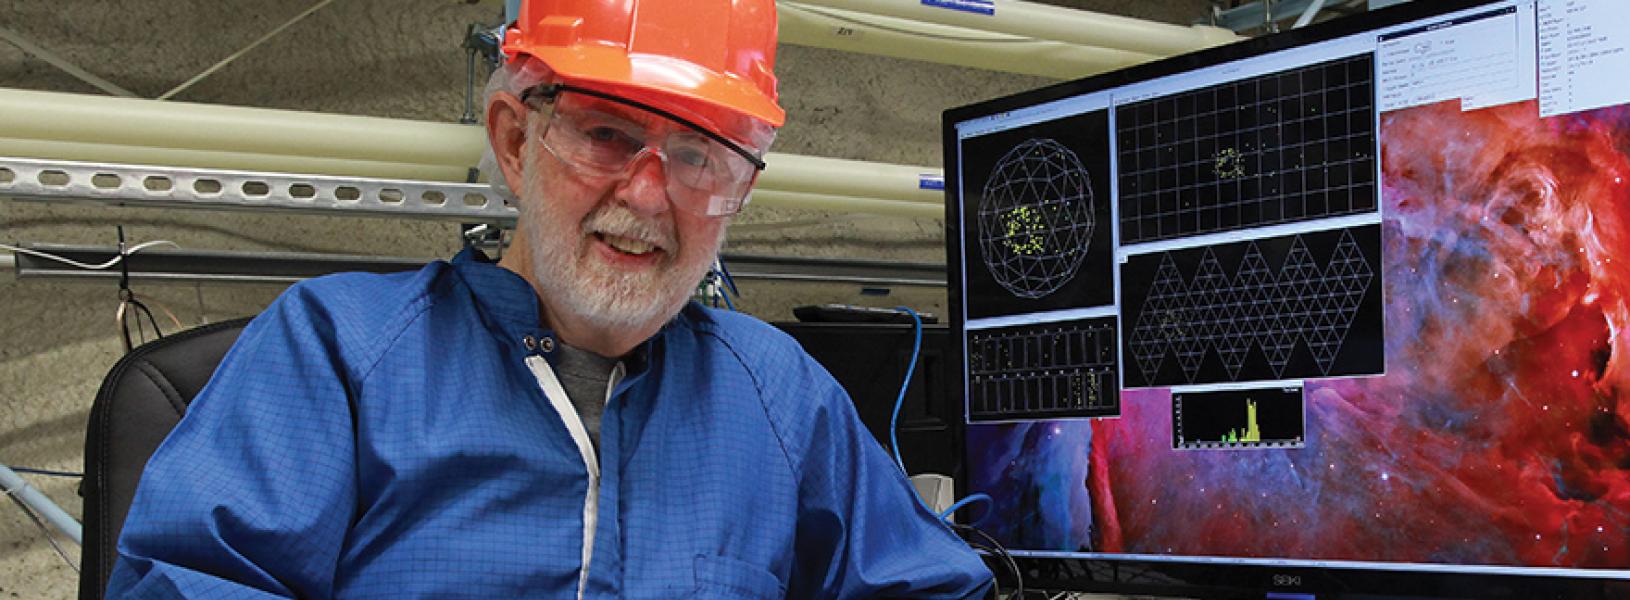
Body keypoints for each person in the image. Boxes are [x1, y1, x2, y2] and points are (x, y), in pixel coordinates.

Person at [104, 0, 993, 597]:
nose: (648, 197)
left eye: (697, 156)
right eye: (608, 135)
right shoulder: (336, 354)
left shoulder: (780, 398)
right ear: (516, 141)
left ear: (740, 189)